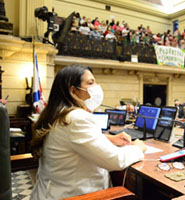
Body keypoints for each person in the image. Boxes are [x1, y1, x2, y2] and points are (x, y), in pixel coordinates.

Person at [30, 65, 146, 200]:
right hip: (76, 196)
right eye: (90, 83)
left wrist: (110, 139)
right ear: (73, 91)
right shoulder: (77, 118)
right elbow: (115, 160)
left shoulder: (57, 113)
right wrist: (138, 149)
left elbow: (69, 140)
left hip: (50, 192)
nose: (96, 87)